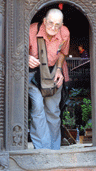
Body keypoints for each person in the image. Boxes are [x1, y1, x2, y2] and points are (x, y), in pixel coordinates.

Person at [28, 8, 70, 150]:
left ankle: (54, 150)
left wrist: (59, 69)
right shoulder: (32, 30)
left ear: (62, 24)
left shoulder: (65, 33)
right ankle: (42, 149)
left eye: (57, 24)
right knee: (38, 107)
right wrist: (26, 57)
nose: (53, 27)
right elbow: (16, 49)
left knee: (53, 111)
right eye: (50, 23)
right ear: (44, 21)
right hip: (33, 75)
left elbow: (63, 53)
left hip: (53, 73)